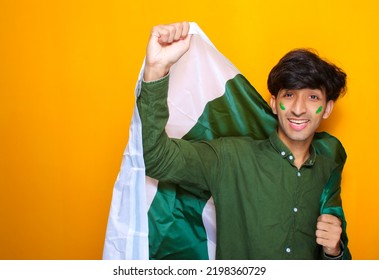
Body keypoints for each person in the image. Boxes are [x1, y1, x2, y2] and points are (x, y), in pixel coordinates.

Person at [137, 21, 351, 259]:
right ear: (273, 104)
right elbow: (155, 158)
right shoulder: (230, 157)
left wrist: (335, 251)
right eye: (289, 95)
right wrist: (156, 70)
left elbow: (340, 262)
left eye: (312, 97)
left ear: (327, 108)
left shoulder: (328, 170)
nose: (299, 109)